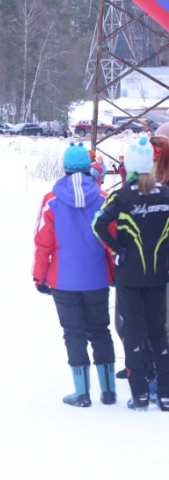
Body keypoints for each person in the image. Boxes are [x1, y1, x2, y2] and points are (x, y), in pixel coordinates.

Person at [33, 142, 116, 408]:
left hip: (63, 280)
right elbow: (112, 241)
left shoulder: (51, 201)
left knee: (74, 333)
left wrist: (39, 276)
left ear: (65, 168)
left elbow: (42, 242)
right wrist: (113, 275)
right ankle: (109, 390)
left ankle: (82, 393)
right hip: (97, 279)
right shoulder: (104, 198)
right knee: (101, 331)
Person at [93, 137, 169, 411]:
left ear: (129, 164)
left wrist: (117, 249)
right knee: (159, 332)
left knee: (134, 332)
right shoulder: (165, 193)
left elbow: (98, 223)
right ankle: (165, 394)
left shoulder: (122, 195)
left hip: (129, 274)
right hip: (158, 273)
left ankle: (139, 396)